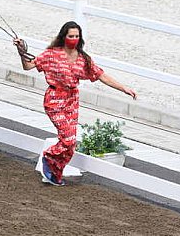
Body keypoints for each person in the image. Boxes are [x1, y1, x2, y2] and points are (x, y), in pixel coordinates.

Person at [13, 21, 137, 186]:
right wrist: (21, 51)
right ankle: (49, 157)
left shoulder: (83, 59)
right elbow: (28, 66)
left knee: (71, 145)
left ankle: (54, 174)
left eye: (77, 36)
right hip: (54, 100)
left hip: (72, 101)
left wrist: (123, 88)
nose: (74, 39)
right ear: (64, 37)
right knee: (68, 139)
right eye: (71, 36)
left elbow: (101, 75)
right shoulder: (51, 54)